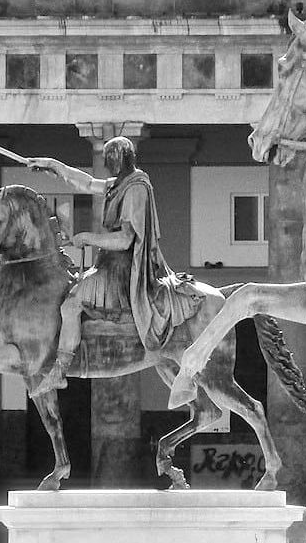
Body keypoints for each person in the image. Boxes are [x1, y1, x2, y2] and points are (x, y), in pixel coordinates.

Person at [28, 137, 203, 396]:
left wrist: (87, 237)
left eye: (110, 158)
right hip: (109, 263)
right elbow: (86, 182)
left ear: (121, 158)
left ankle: (59, 372)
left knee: (71, 304)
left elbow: (125, 239)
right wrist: (53, 165)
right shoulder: (119, 185)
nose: (106, 164)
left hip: (124, 269)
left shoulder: (135, 189)